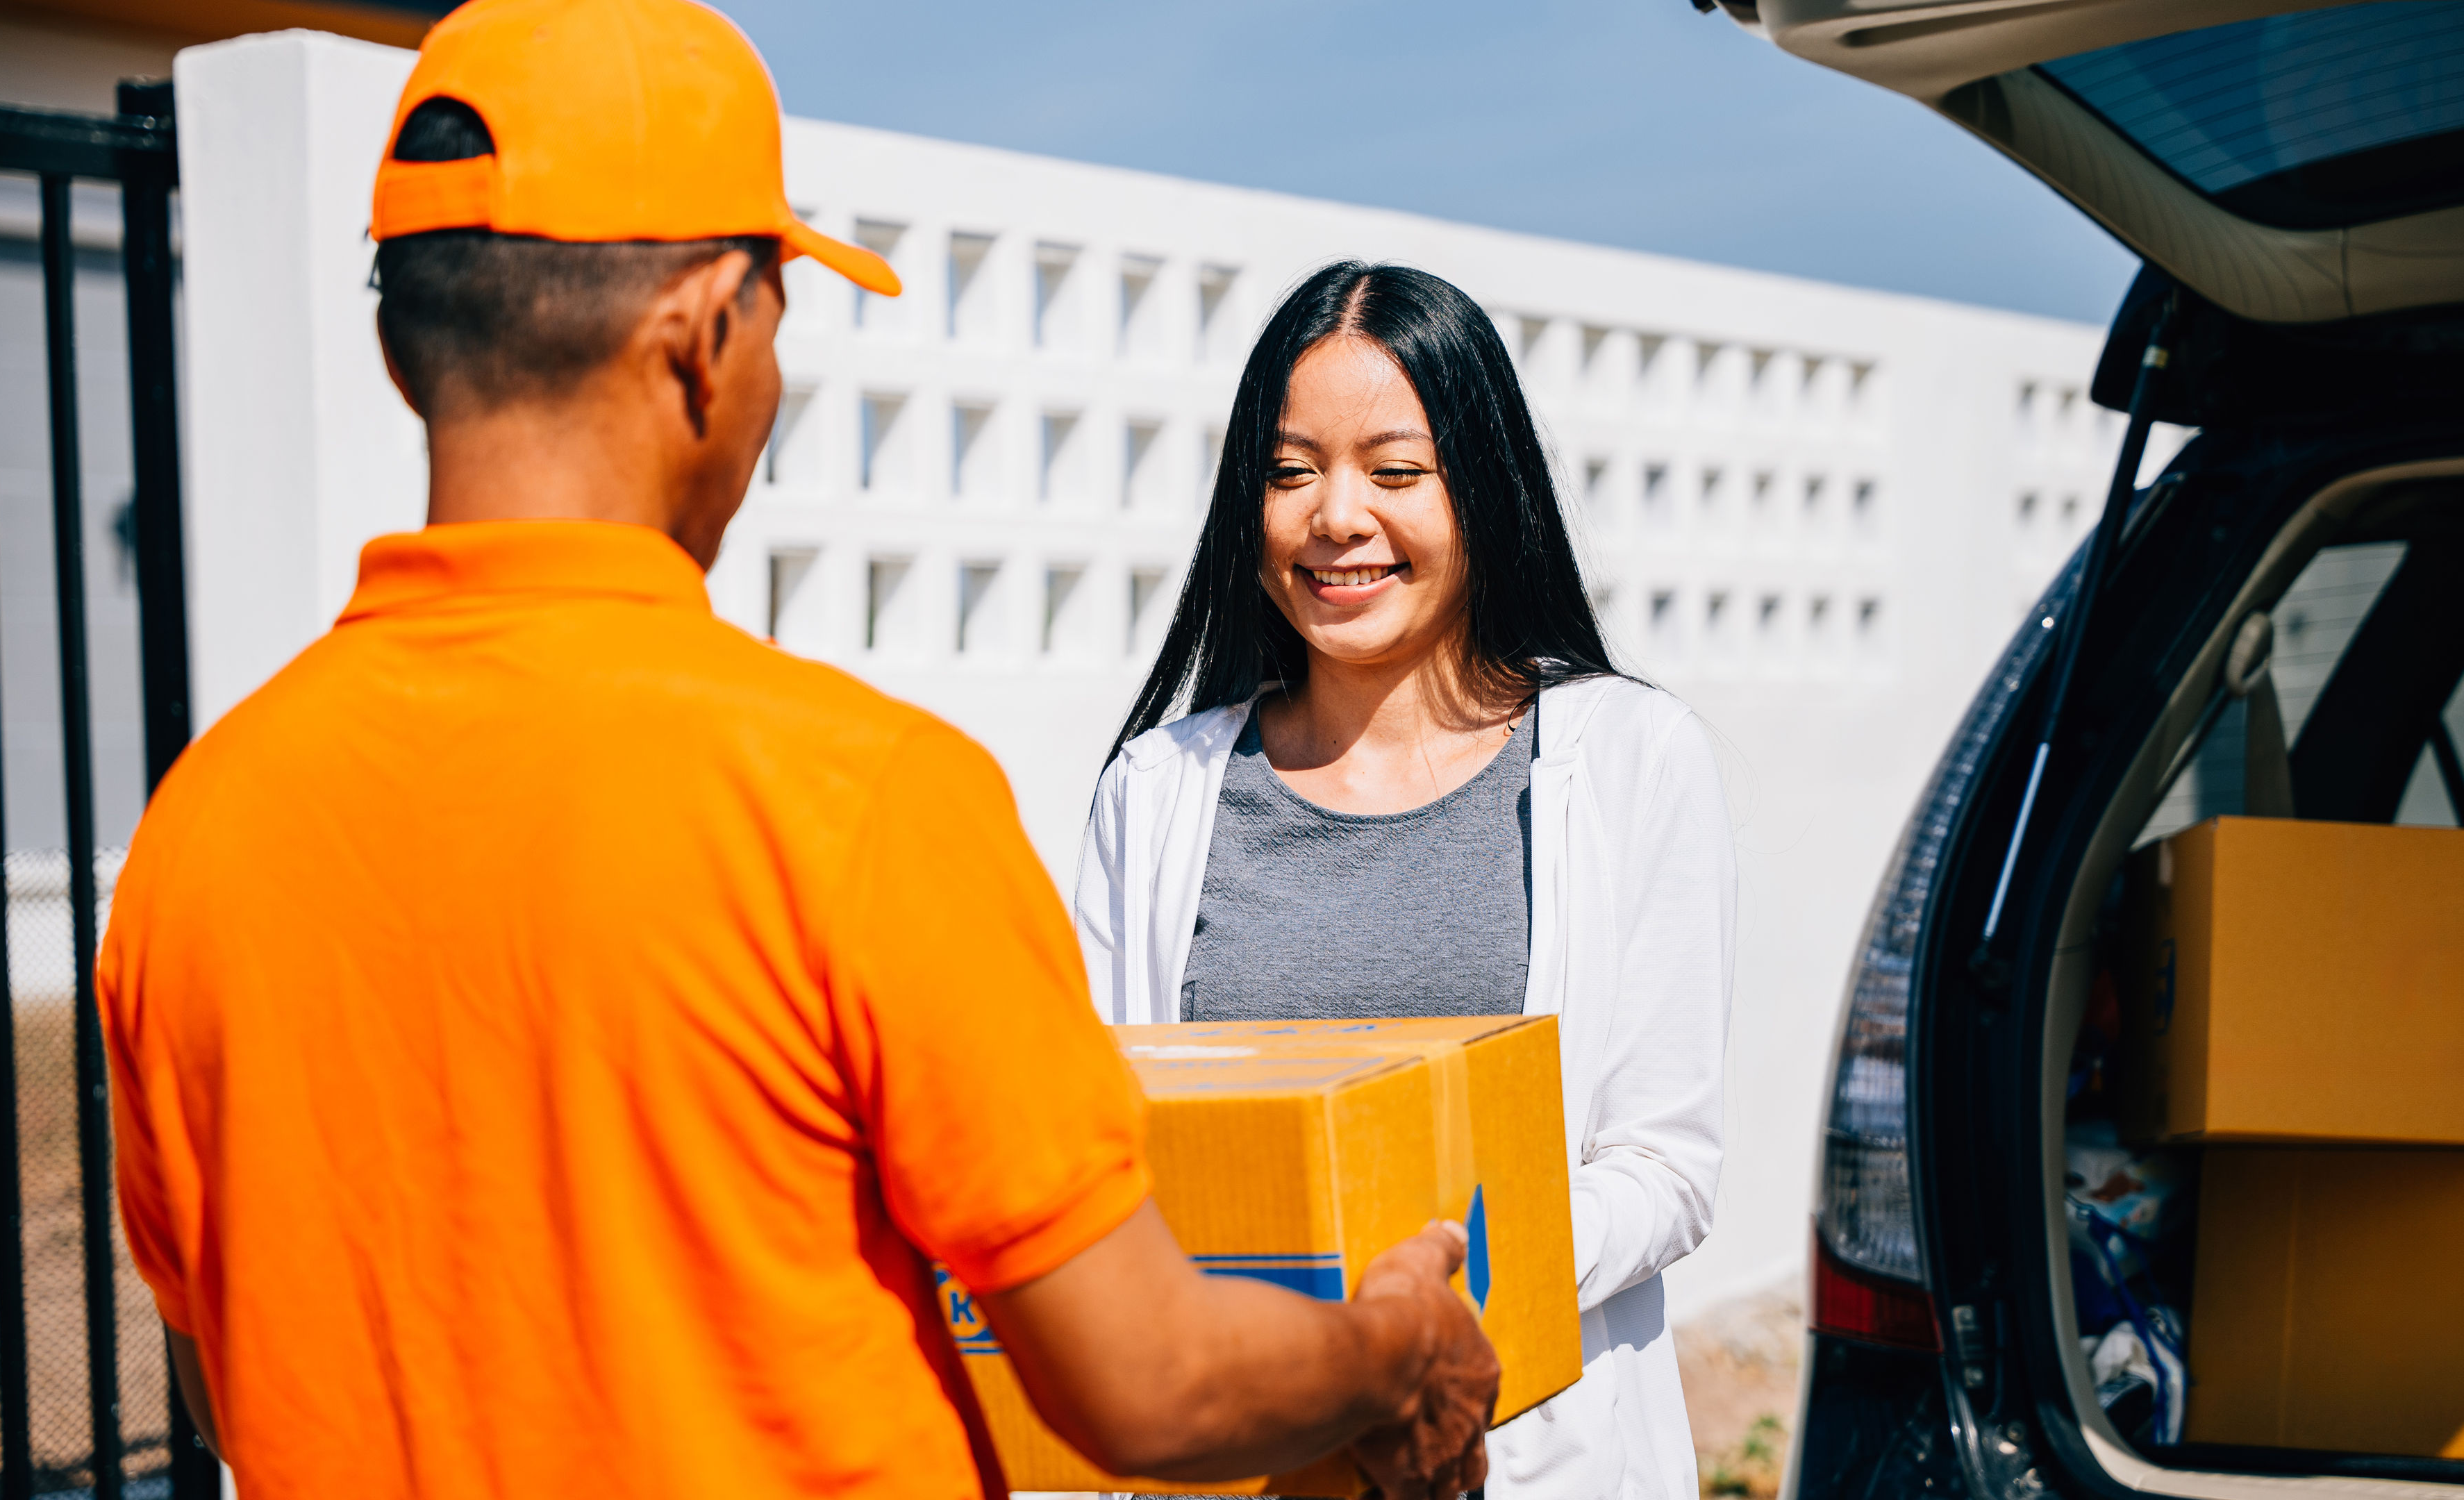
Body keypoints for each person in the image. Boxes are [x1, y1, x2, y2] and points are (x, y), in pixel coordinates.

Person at [94, 6, 1497, 1497]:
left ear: (400, 352)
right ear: (705, 334)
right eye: (776, 315)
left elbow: (230, 1394)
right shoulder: (854, 803)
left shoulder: (198, 837)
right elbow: (1150, 1387)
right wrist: (1396, 1347)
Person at [1075, 262, 1735, 1499]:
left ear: (1481, 490)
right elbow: (1107, 1152)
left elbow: (1663, 1168)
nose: (1336, 517)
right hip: (1246, 1459)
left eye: (1394, 472)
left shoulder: (1633, 761)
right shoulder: (1155, 792)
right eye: (1289, 473)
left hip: (1529, 1454)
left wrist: (1422, 1307)